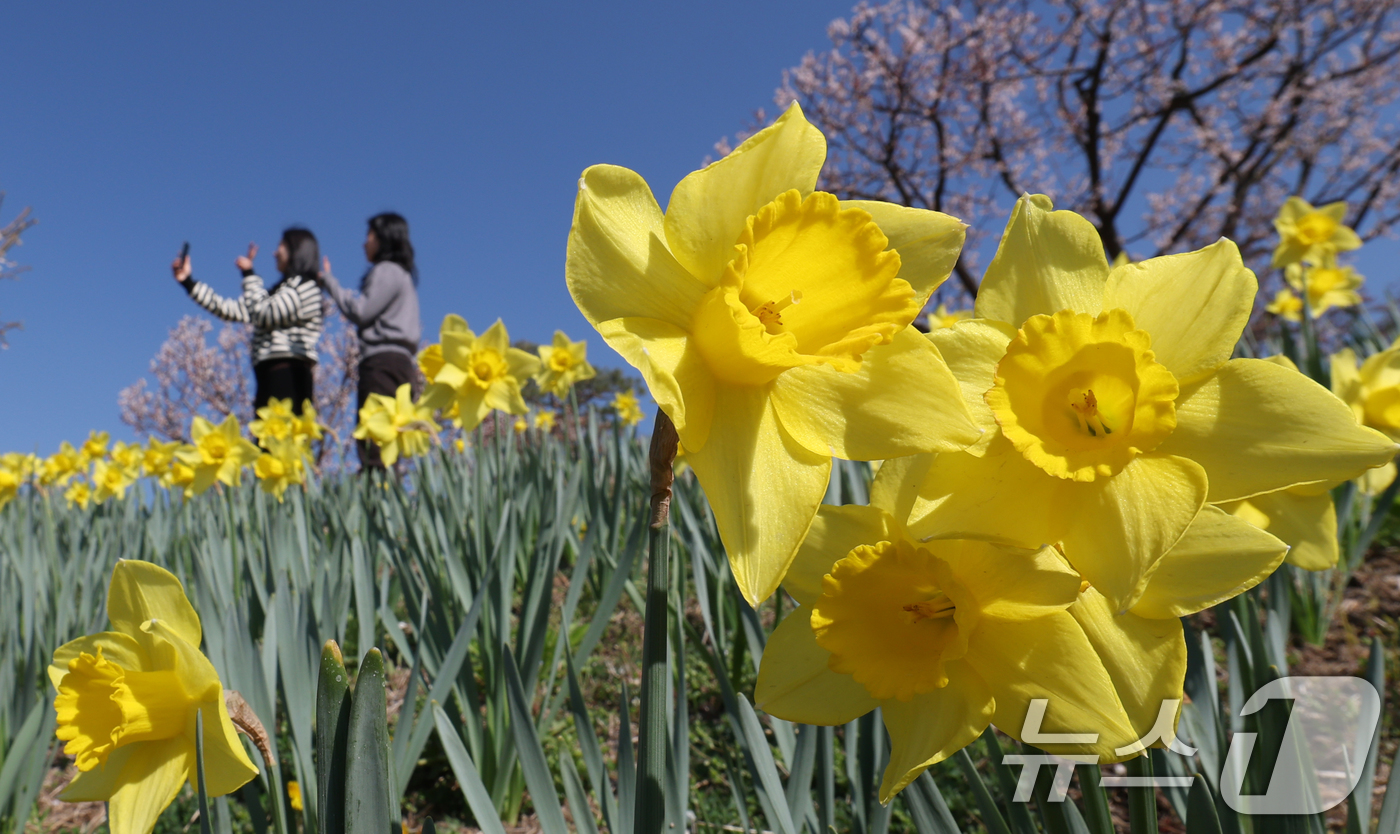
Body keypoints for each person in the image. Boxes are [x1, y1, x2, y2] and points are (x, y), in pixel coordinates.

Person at [172, 228, 325, 411]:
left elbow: (265, 313)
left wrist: (249, 274)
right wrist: (188, 282)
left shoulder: (307, 287)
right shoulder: (275, 294)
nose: (275, 253)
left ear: (297, 249)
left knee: (285, 437)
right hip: (267, 373)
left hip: (289, 373)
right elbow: (228, 309)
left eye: (281, 246)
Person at [318, 212, 422, 469]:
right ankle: (388, 502)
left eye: (369, 236)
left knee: (373, 446)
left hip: (381, 363)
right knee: (390, 448)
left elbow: (360, 311)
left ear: (384, 238)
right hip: (401, 363)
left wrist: (329, 282)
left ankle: (375, 505)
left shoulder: (386, 271)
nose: (364, 242)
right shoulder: (404, 276)